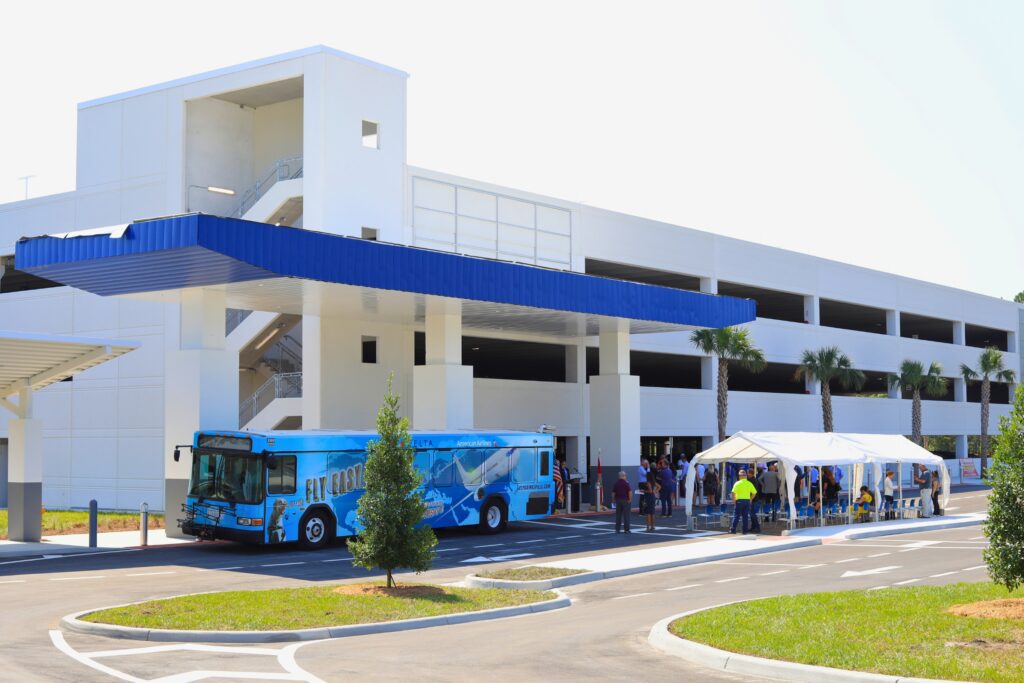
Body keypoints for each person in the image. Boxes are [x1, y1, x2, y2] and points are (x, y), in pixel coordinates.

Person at [730, 468, 757, 534]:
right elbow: (754, 492)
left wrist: (734, 500)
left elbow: (733, 493)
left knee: (736, 516)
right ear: (745, 476)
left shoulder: (737, 483)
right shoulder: (749, 483)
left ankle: (733, 529)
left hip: (739, 501)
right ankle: (745, 530)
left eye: (739, 476)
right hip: (747, 501)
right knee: (745, 516)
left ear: (740, 476)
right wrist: (751, 499)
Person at [746, 468, 762, 532]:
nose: (747, 474)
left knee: (752, 514)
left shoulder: (751, 480)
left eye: (748, 473)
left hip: (753, 499)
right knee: (752, 514)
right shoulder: (754, 479)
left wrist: (750, 499)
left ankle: (757, 528)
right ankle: (753, 528)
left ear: (750, 473)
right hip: (754, 499)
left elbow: (753, 491)